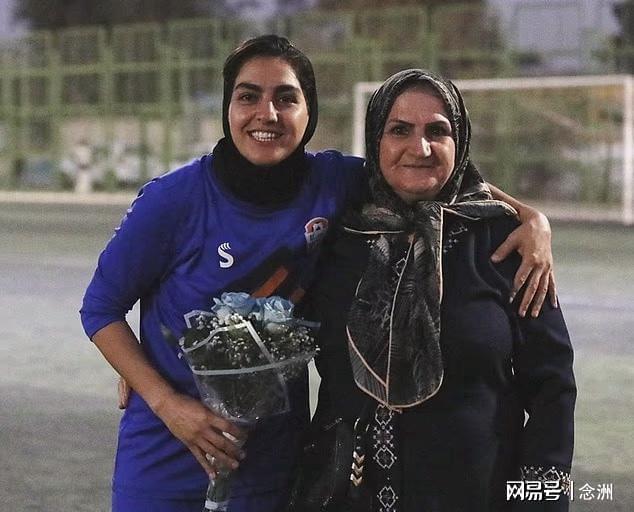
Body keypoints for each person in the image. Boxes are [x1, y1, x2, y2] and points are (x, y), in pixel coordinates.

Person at [81, 36, 557, 512]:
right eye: (248, 96)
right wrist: (165, 401)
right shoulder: (173, 199)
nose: (267, 114)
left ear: (310, 112)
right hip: (166, 460)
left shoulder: (334, 182)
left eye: (286, 98)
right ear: (228, 107)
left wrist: (529, 217)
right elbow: (101, 307)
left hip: (269, 468)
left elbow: (424, 169)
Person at [304, 69, 576, 512]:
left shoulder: (505, 243)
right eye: (399, 130)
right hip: (345, 495)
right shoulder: (339, 238)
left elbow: (553, 389)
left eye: (437, 131)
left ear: (460, 141)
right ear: (375, 140)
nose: (421, 148)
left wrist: (541, 500)